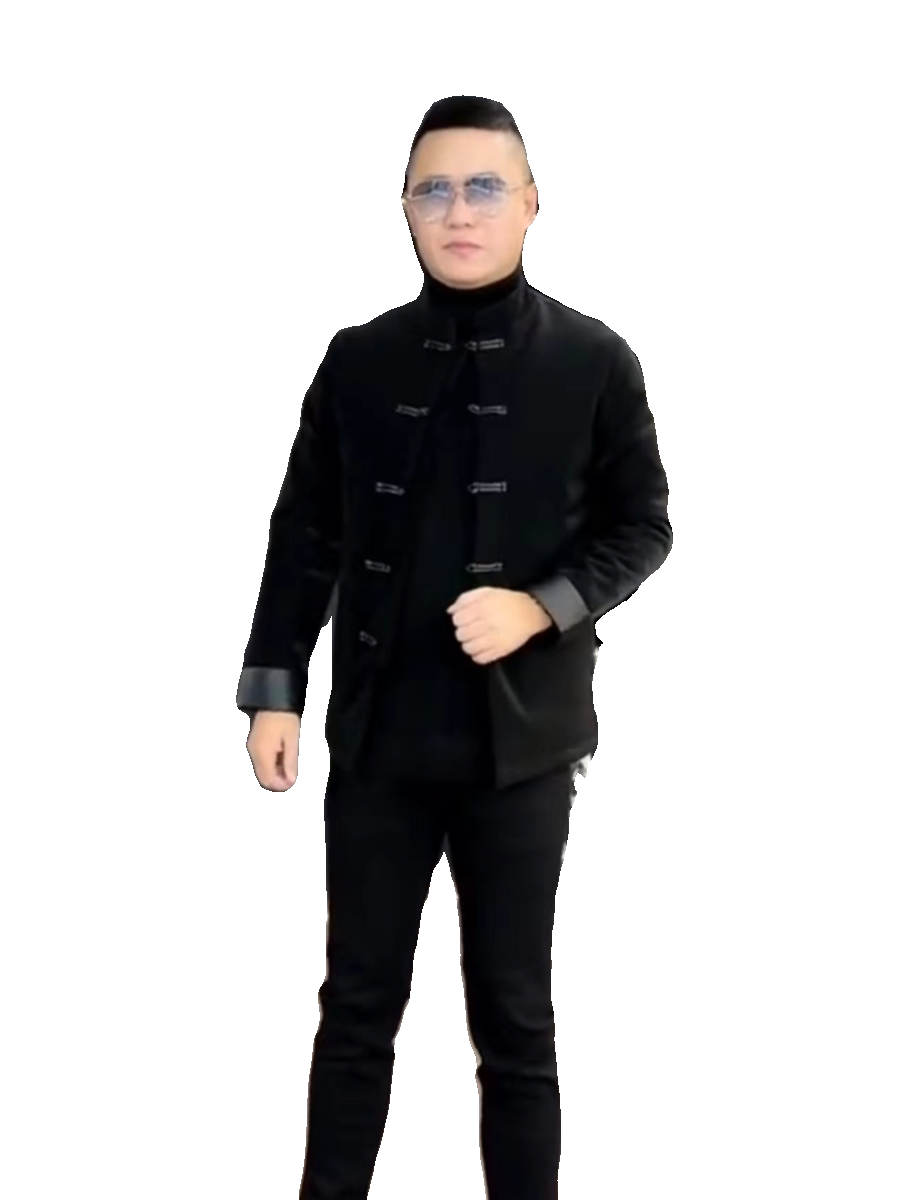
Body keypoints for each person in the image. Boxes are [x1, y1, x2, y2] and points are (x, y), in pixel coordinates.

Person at [237, 95, 672, 1200]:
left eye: (485, 187)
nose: (459, 211)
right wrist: (275, 690)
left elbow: (644, 527)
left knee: (515, 1021)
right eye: (434, 189)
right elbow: (305, 534)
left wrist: (542, 605)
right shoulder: (358, 359)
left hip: (521, 752)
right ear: (405, 209)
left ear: (532, 204)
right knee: (355, 1011)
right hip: (378, 740)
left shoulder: (594, 360)